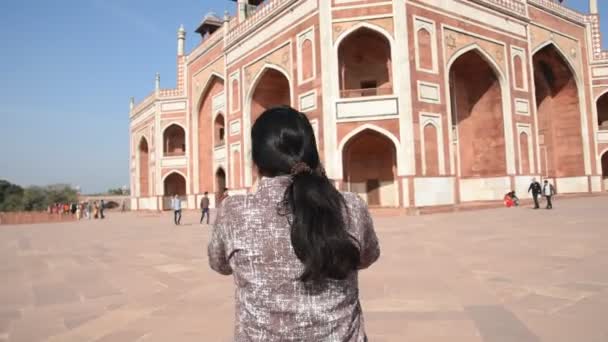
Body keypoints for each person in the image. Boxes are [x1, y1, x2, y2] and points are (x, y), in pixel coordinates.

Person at [208, 106, 380, 341]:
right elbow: (368, 257)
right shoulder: (351, 207)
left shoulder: (235, 212)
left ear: (256, 161)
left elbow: (219, 264)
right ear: (312, 153)